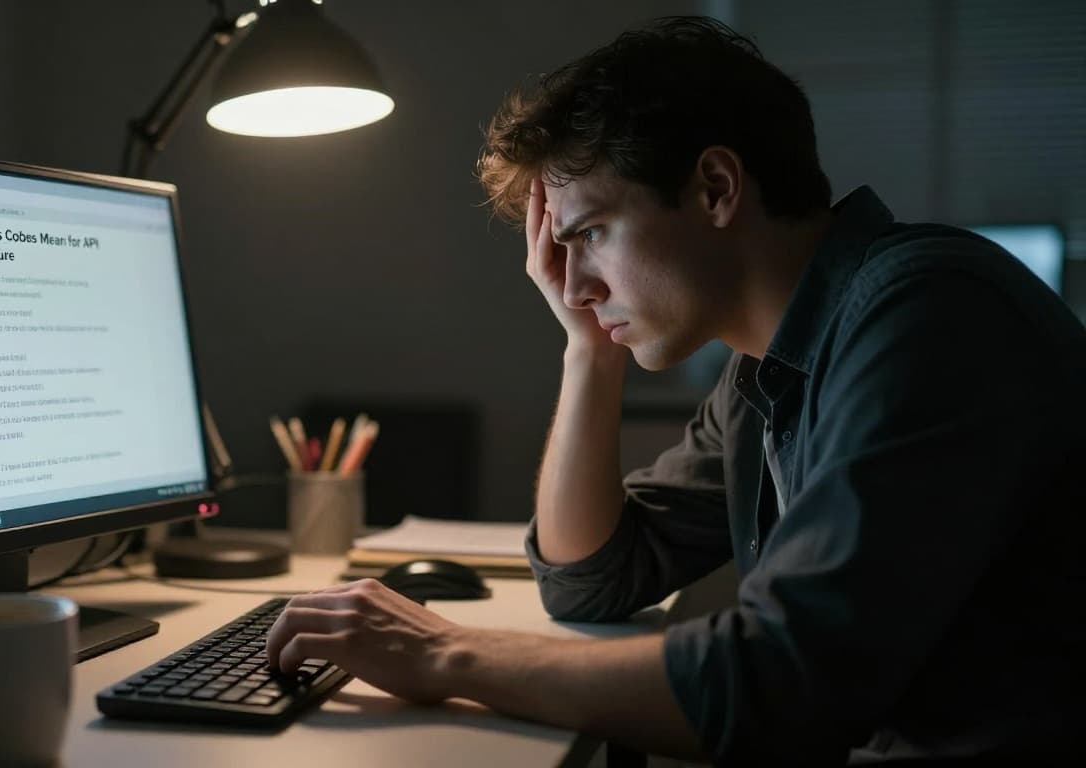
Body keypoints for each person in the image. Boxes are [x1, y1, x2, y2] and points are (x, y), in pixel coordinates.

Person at [266, 16, 1086, 764]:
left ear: (716, 189)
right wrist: (586, 347)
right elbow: (591, 578)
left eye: (588, 234)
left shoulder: (926, 315)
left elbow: (780, 684)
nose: (570, 282)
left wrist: (444, 654)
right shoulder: (767, 366)